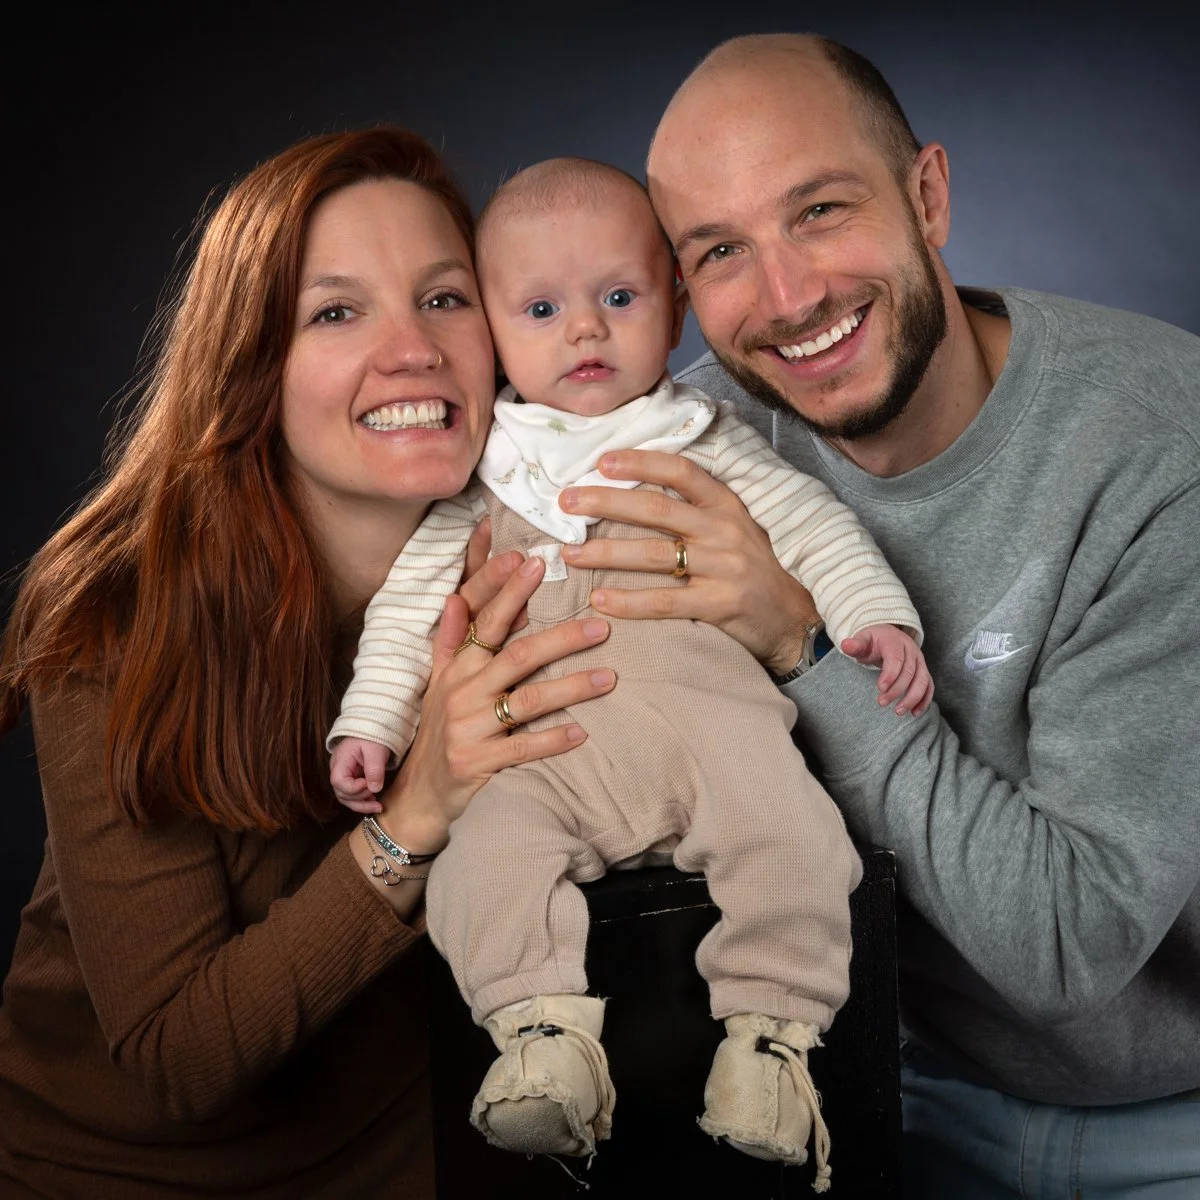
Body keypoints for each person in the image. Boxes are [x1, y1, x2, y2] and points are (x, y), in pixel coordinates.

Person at [537, 30, 1197, 1200]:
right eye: (722, 250)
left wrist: (800, 644)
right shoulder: (684, 448)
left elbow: (1070, 943)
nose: (791, 298)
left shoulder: (1157, 446)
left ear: (928, 196)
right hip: (884, 1086)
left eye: (822, 211)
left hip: (1169, 1114)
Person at [0, 127, 620, 1199]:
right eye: (335, 312)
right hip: (120, 1176)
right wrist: (413, 817)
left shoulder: (555, 535)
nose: (414, 351)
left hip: (415, 1166)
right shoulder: (115, 619)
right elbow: (177, 1058)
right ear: (252, 366)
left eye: (444, 297)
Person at [326, 157, 931, 1183]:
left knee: (798, 840)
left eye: (618, 297)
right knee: (479, 867)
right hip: (543, 760)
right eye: (543, 307)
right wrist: (372, 723)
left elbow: (815, 526)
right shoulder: (489, 475)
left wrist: (874, 618)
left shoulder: (701, 442)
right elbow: (407, 609)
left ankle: (773, 1050)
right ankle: (539, 1045)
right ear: (495, 329)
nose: (586, 330)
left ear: (675, 308)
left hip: (716, 738)